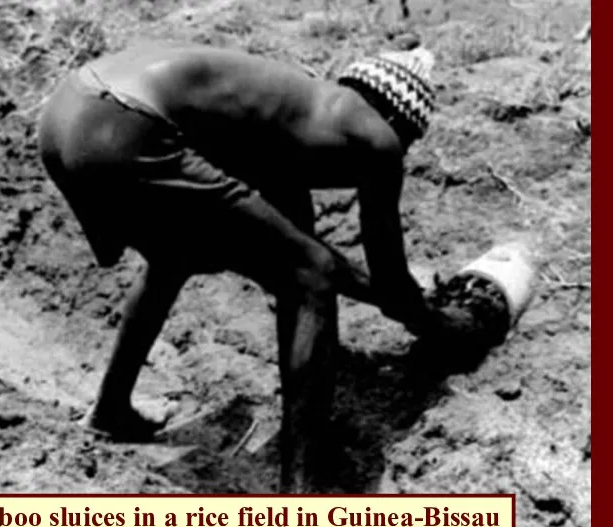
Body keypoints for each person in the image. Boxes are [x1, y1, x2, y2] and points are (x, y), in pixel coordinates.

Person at [38, 42, 458, 493]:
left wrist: (375, 292)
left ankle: (110, 411)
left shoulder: (277, 118)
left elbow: (299, 251)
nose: (400, 154)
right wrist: (442, 325)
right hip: (125, 122)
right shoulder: (377, 136)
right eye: (407, 144)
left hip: (67, 115)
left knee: (175, 254)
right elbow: (370, 280)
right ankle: (301, 498)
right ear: (398, 120)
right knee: (309, 276)